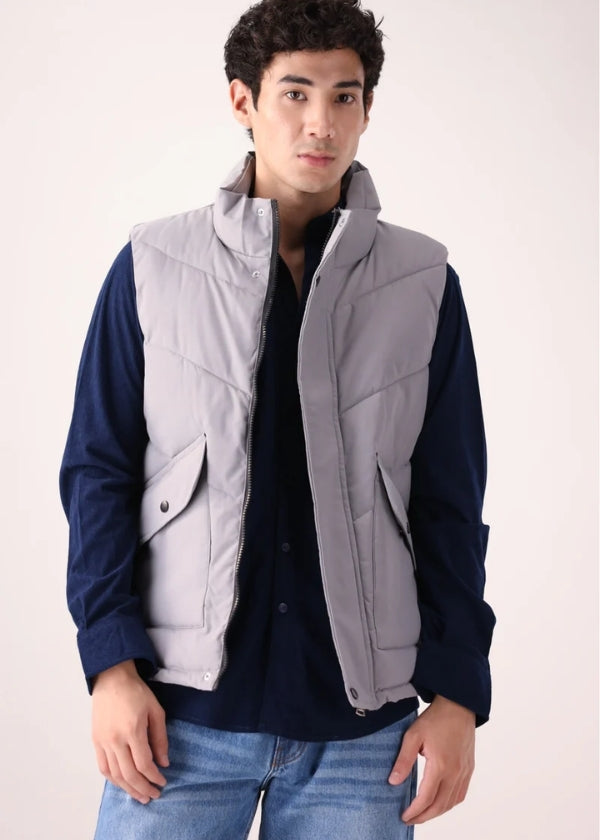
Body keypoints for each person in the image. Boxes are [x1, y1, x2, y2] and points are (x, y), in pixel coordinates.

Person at [59, 1, 496, 837]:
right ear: (243, 101)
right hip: (177, 723)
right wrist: (110, 666)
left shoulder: (423, 282)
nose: (320, 122)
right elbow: (98, 474)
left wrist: (458, 693)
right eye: (295, 93)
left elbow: (449, 500)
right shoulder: (153, 266)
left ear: (367, 109)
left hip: (364, 739)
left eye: (344, 96)